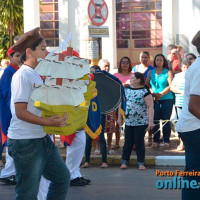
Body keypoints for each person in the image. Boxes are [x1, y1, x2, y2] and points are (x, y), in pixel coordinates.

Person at [7, 27, 70, 200]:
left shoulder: (35, 74)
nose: (47, 52)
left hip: (41, 139)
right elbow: (20, 112)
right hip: (25, 142)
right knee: (27, 194)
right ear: (29, 52)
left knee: (62, 178)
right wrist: (49, 123)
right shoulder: (22, 76)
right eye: (42, 49)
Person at [176, 30, 200, 200]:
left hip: (191, 127)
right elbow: (194, 106)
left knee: (194, 171)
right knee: (194, 173)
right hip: (195, 127)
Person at [119, 72, 154, 170]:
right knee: (128, 142)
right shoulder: (126, 90)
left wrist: (150, 121)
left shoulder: (145, 91)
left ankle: (141, 162)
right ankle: (124, 161)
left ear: (138, 80)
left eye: (133, 78)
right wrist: (119, 117)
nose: (131, 79)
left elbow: (150, 106)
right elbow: (121, 104)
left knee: (139, 142)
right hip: (129, 121)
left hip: (141, 121)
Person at [0, 47, 21, 185]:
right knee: (11, 143)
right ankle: (7, 173)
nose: (20, 58)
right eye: (17, 55)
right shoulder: (9, 72)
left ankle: (10, 172)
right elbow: (7, 94)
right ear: (11, 57)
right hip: (9, 112)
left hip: (13, 111)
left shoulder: (16, 70)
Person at [146, 54, 174, 148]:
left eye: (160, 60)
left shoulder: (168, 72)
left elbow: (170, 86)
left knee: (166, 120)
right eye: (157, 60)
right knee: (156, 119)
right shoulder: (151, 72)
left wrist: (160, 94)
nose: (158, 62)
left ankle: (166, 140)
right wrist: (153, 93)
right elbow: (147, 85)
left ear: (164, 62)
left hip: (166, 98)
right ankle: (156, 140)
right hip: (154, 99)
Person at [171, 60, 191, 151]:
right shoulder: (177, 76)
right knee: (180, 123)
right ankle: (182, 142)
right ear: (181, 67)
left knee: (189, 123)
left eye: (187, 67)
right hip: (179, 103)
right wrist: (180, 92)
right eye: (184, 67)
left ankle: (188, 143)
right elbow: (172, 87)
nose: (185, 69)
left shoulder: (194, 76)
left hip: (191, 103)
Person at [113, 56, 133, 149]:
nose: (125, 64)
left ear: (129, 64)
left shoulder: (133, 75)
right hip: (118, 100)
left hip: (131, 101)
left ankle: (127, 142)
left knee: (129, 122)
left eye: (127, 62)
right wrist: (122, 86)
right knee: (118, 122)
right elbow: (112, 87)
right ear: (120, 64)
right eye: (123, 62)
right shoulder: (115, 75)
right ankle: (117, 142)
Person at [98, 59, 116, 155]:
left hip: (109, 107)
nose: (107, 68)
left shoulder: (112, 78)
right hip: (98, 107)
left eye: (108, 66)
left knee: (110, 127)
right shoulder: (95, 78)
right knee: (97, 128)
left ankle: (109, 146)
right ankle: (98, 147)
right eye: (105, 66)